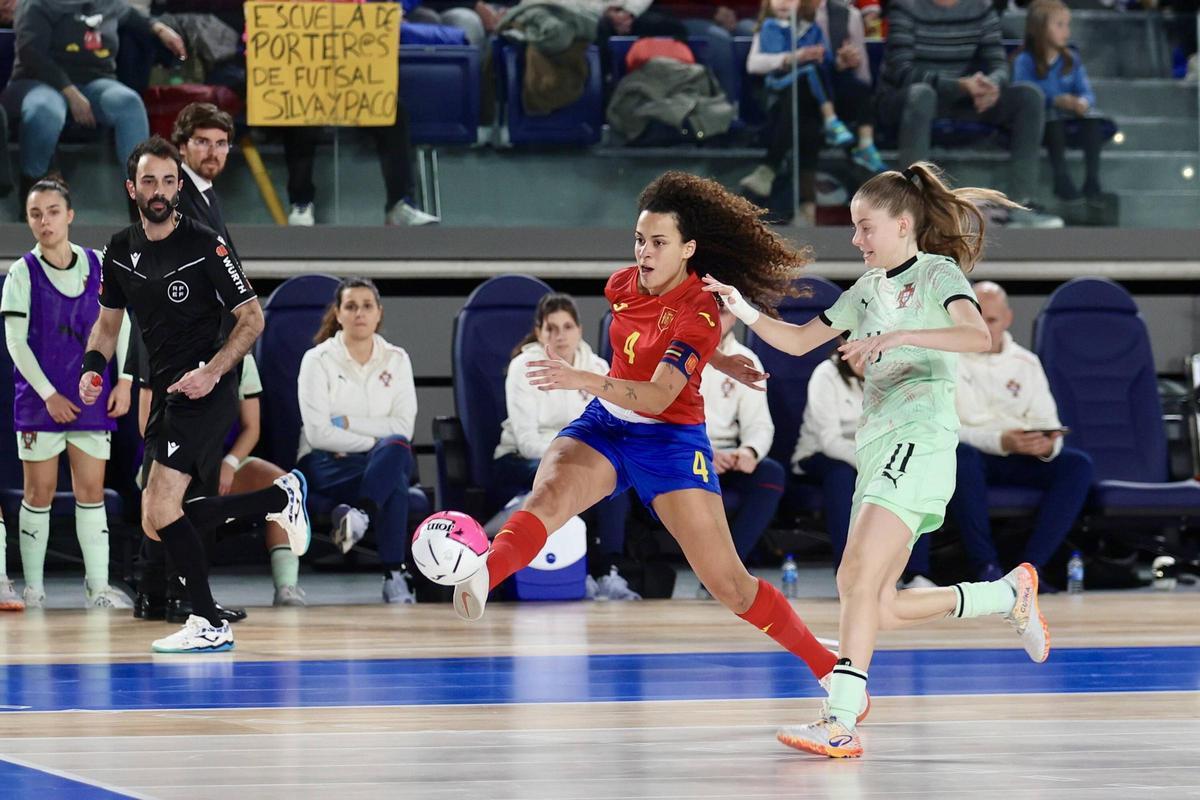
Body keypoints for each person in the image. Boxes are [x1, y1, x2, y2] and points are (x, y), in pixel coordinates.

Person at [446, 171, 871, 721]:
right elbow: (653, 347)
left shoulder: (700, 312)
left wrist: (589, 380)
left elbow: (660, 394)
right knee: (548, 494)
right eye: (639, 240)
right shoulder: (622, 285)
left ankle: (830, 669)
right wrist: (716, 360)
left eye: (658, 242)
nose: (644, 252)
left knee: (730, 585)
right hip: (606, 426)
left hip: (670, 440)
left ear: (688, 249)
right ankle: (484, 571)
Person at [704, 161, 1050, 758]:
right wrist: (746, 307)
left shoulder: (940, 274)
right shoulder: (865, 291)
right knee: (872, 597)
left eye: (866, 227)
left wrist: (897, 337)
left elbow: (977, 338)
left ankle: (840, 719)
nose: (857, 239)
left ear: (903, 224)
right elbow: (796, 341)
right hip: (879, 445)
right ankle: (1005, 595)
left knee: (857, 577)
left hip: (921, 437)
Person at [80, 135, 309, 653]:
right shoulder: (118, 250)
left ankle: (206, 620)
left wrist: (213, 371)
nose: (159, 190)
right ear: (131, 188)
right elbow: (107, 326)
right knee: (155, 517)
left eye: (167, 180)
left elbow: (253, 319)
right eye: (148, 181)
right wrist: (94, 366)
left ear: (179, 186)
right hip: (164, 389)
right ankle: (279, 497)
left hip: (206, 387)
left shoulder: (208, 245)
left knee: (162, 504)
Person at [130, 100, 250, 623]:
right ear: (181, 150)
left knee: (170, 483)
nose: (213, 152)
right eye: (201, 142)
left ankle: (163, 592)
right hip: (188, 364)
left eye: (221, 143)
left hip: (198, 361)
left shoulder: (206, 201)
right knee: (174, 482)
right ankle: (176, 595)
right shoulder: (179, 208)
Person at [0, 177, 134, 610]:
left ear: (70, 215)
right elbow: (16, 343)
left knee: (91, 492)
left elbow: (122, 325)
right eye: (36, 213)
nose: (44, 220)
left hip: (92, 399)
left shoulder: (99, 264)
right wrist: (49, 395)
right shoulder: (22, 273)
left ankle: (98, 588)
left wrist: (127, 380)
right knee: (37, 494)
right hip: (40, 404)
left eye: (53, 211)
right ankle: (34, 589)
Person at [948, 280, 1094, 587]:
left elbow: (1047, 421)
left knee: (1076, 464)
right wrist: (1000, 440)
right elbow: (948, 429)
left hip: (1021, 455)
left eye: (991, 320)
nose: (983, 327)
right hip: (973, 457)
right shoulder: (947, 359)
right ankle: (985, 567)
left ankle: (1029, 571)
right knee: (961, 456)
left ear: (1008, 319)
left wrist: (1044, 446)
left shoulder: (1027, 363)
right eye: (974, 317)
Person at [493, 292, 636, 600]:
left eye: (568, 327)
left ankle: (609, 572)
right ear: (539, 331)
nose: (560, 336)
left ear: (580, 330)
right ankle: (576, 569)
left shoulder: (597, 367)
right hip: (522, 459)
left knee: (615, 478)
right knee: (566, 479)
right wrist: (575, 455)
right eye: (551, 328)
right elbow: (527, 440)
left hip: (580, 456)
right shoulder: (524, 367)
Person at [134, 353, 306, 608]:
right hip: (168, 455)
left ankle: (286, 585)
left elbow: (252, 427)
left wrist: (230, 462)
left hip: (219, 456)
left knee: (277, 480)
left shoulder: (241, 360)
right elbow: (146, 422)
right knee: (174, 500)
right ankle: (170, 593)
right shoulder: (165, 346)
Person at [875, 0, 1064, 228]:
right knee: (922, 95)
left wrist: (992, 85)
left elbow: (999, 65)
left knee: (1028, 96)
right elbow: (902, 72)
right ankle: (915, 206)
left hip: (962, 96)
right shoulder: (905, 8)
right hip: (904, 99)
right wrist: (958, 86)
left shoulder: (982, 8)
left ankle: (1020, 205)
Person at [297, 278, 421, 604]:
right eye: (350, 306)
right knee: (392, 470)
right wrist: (375, 445)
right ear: (338, 314)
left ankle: (360, 516)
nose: (359, 313)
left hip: (370, 460)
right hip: (325, 462)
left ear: (379, 313)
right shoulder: (317, 360)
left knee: (396, 446)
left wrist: (350, 426)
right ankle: (394, 575)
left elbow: (403, 427)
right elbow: (317, 433)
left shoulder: (397, 358)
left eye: (367, 306)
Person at [1, 0, 185, 208]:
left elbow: (135, 17)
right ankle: (33, 190)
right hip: (37, 80)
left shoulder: (108, 3)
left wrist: (161, 29)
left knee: (129, 104)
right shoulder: (36, 4)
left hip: (94, 81)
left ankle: (143, 200)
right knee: (46, 111)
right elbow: (32, 55)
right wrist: (70, 92)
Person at [791, 348, 934, 586]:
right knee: (842, 476)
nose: (863, 355)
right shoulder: (826, 375)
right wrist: (874, 463)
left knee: (913, 470)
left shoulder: (896, 374)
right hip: (821, 456)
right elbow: (830, 441)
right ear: (842, 343)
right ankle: (849, 575)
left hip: (879, 455)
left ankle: (916, 573)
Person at [739, 0, 886, 207]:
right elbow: (754, 63)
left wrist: (840, 64)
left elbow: (837, 67)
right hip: (784, 94)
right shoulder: (770, 24)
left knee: (848, 89)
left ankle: (773, 172)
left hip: (826, 93)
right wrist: (792, 58)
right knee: (802, 105)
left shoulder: (834, 20)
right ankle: (806, 204)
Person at [698, 306, 785, 567]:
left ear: (734, 316)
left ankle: (727, 568)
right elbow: (660, 420)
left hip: (728, 455)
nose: (714, 318)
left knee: (770, 473)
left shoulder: (747, 359)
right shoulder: (674, 354)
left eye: (722, 312)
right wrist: (704, 454)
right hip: (685, 452)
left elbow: (760, 425)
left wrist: (748, 452)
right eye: (707, 311)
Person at [1013, 0, 1108, 202]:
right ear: (1040, 28)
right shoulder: (1025, 60)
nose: (1067, 31)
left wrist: (1082, 102)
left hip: (1069, 116)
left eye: (1068, 24)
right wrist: (1055, 100)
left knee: (1092, 122)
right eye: (1060, 25)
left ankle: (1093, 181)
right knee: (1053, 122)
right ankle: (1061, 179)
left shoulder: (1071, 59)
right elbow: (1023, 91)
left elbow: (1087, 92)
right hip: (1043, 119)